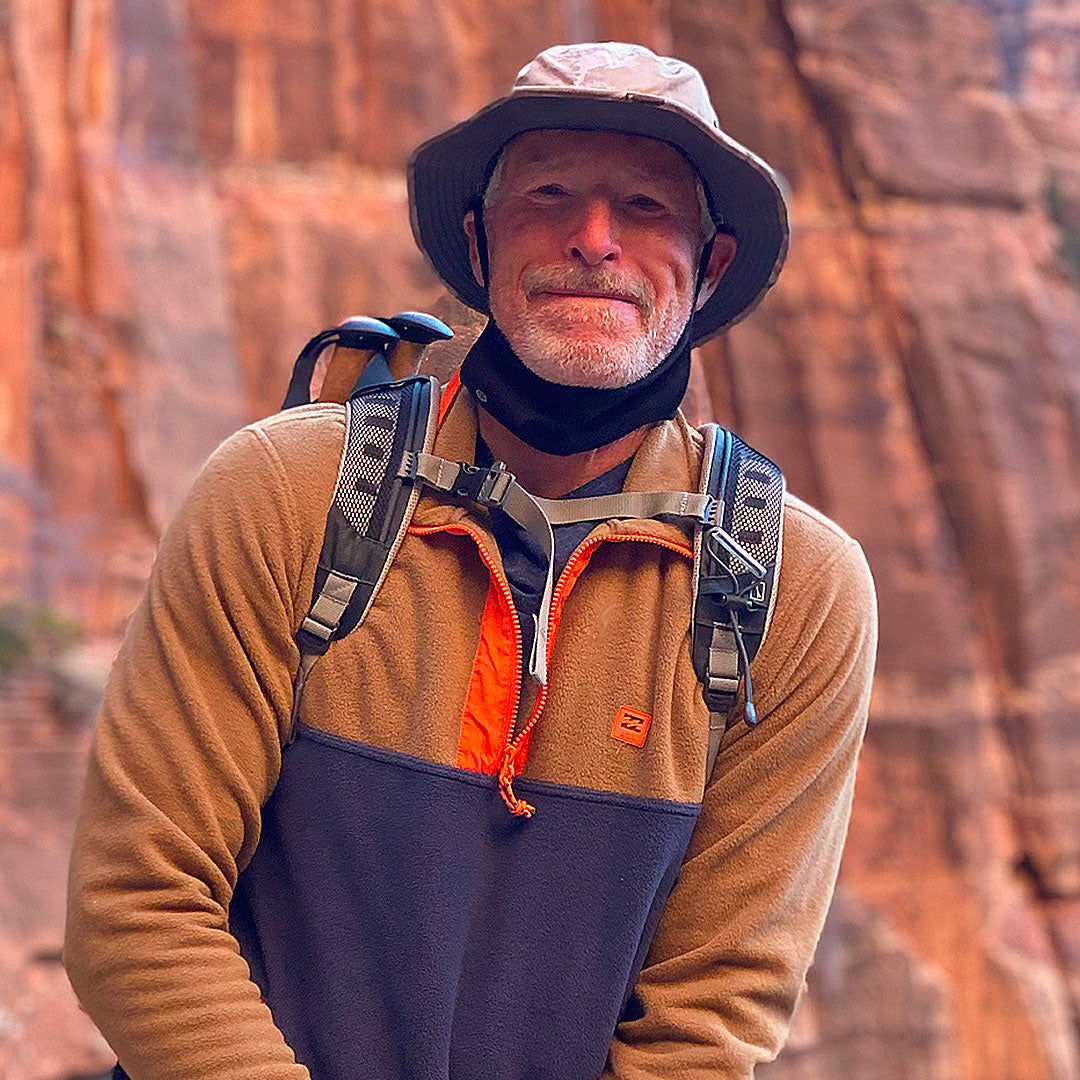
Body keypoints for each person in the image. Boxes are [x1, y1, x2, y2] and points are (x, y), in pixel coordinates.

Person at [63, 42, 877, 1080]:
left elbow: (710, 1017)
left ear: (708, 266)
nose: (594, 242)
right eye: (549, 195)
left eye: (644, 206)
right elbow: (140, 900)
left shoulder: (790, 589)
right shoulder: (288, 494)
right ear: (477, 238)